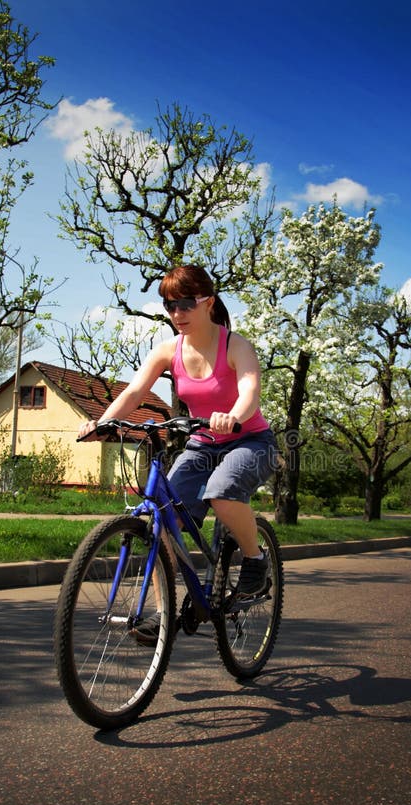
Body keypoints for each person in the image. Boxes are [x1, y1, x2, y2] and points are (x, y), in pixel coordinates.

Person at [78, 264, 277, 638]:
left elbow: (250, 391)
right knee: (161, 522)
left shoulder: (236, 346)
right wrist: (102, 422)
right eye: (169, 306)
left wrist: (233, 416)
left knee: (222, 490)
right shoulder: (169, 350)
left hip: (250, 441)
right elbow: (134, 392)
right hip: (203, 443)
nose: (177, 314)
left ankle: (255, 559)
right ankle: (163, 613)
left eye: (185, 304)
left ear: (208, 302)